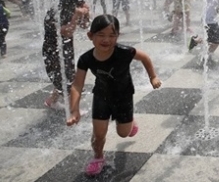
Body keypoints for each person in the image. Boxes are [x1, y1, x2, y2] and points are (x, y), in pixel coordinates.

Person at [66, 14, 162, 177]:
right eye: (101, 35)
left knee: (123, 133)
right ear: (91, 36)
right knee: (98, 135)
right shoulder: (86, 59)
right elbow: (77, 84)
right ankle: (98, 157)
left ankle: (130, 121)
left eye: (112, 35)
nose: (106, 40)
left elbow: (144, 57)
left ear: (118, 36)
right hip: (101, 96)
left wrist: (153, 76)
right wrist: (74, 109)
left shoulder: (124, 52)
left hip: (123, 97)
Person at [42, 0, 90, 108]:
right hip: (52, 50)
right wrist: (76, 16)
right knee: (65, 76)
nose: (80, 5)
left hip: (66, 46)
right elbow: (66, 32)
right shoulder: (54, 13)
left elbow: (84, 26)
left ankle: (51, 101)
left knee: (66, 74)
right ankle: (72, 110)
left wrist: (86, 14)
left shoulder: (70, 10)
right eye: (78, 3)